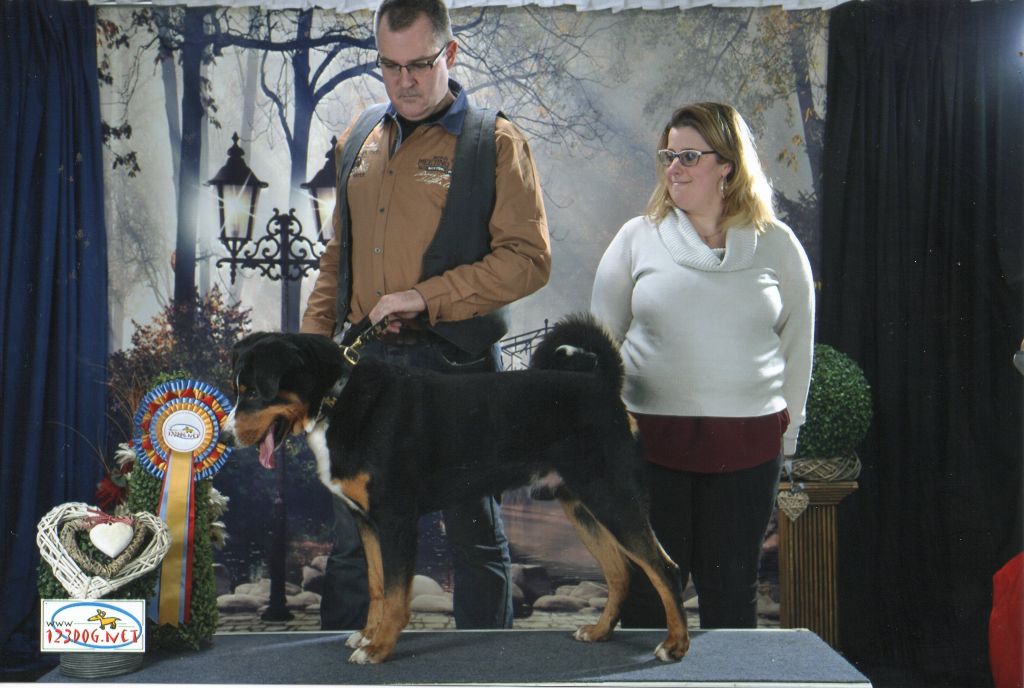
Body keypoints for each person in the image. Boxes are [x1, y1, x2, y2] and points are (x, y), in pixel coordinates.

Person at [300, 0, 551, 631]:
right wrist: (310, 353)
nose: (405, 80)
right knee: (354, 541)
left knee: (474, 538)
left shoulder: (494, 141)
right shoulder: (356, 136)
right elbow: (338, 256)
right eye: (391, 65)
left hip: (457, 371)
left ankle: (486, 671)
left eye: (420, 64)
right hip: (365, 372)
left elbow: (529, 260)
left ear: (451, 54)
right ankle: (343, 670)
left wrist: (425, 296)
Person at [590, 102, 814, 629]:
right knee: (650, 596)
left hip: (749, 448)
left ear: (728, 166)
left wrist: (790, 433)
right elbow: (599, 345)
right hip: (650, 446)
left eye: (689, 155)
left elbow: (797, 349)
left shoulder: (778, 247)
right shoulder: (634, 239)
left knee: (733, 595)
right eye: (669, 155)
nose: (674, 167)